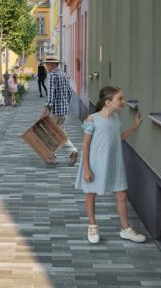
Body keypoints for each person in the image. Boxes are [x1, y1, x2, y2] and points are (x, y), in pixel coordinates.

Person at [75, 86, 146, 244]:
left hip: (114, 161)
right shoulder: (92, 119)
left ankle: (125, 229)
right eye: (119, 99)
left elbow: (117, 137)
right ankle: (92, 226)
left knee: (121, 194)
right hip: (94, 162)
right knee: (91, 194)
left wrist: (135, 126)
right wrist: (86, 168)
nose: (123, 101)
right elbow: (86, 145)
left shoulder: (115, 119)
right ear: (108, 102)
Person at [40, 55, 79, 166]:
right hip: (64, 111)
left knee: (49, 134)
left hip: (55, 112)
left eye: (47, 64)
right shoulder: (63, 74)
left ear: (52, 64)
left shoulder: (53, 75)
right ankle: (72, 151)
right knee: (60, 133)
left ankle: (52, 157)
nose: (46, 66)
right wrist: (64, 104)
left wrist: (46, 109)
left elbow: (51, 94)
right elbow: (69, 93)